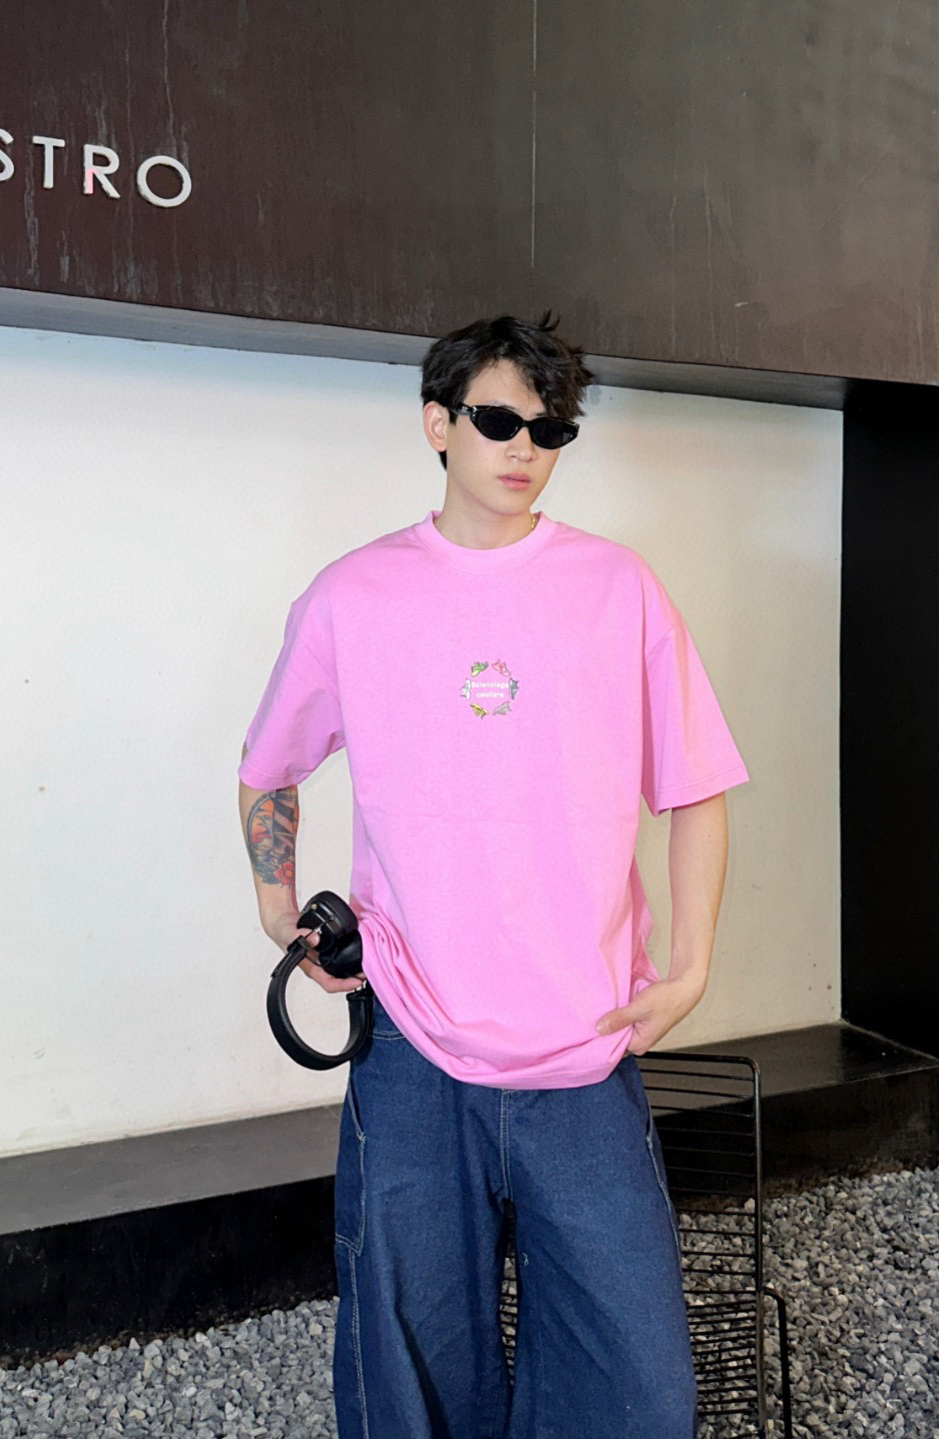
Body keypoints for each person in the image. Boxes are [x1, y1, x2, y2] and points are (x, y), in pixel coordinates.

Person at [237, 313, 749, 1438]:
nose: (525, 446)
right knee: (413, 1370)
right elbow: (270, 767)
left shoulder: (619, 588)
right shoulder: (353, 595)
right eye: (499, 420)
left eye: (550, 428)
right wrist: (281, 911)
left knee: (637, 1386)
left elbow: (697, 782)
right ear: (438, 423)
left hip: (584, 1035)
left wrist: (692, 963)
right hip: (413, 1040)